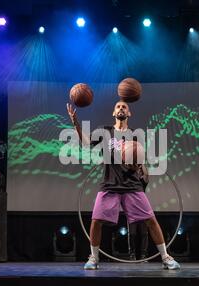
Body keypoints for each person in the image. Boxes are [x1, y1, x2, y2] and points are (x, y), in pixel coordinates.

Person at [67, 101, 180, 270]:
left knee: (151, 220)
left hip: (132, 185)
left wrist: (144, 172)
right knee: (96, 221)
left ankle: (165, 257)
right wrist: (75, 122)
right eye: (118, 107)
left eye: (124, 107)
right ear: (114, 113)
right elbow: (85, 142)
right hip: (109, 184)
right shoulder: (105, 131)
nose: (121, 108)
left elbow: (140, 160)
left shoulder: (135, 135)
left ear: (129, 113)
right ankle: (94, 258)